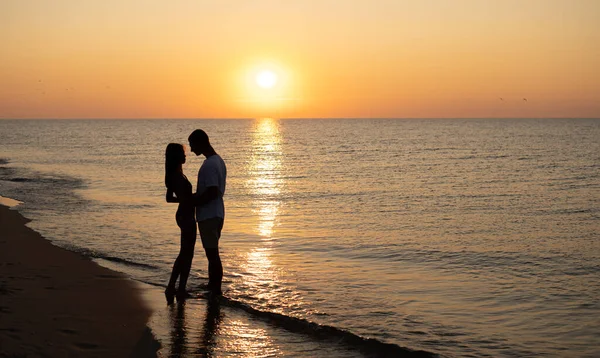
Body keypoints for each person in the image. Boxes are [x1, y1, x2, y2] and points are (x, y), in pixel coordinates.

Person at [188, 129, 227, 297]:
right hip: (216, 213)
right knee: (212, 252)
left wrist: (193, 201)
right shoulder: (218, 161)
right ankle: (213, 286)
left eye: (192, 145)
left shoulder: (210, 164)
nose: (190, 150)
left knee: (212, 254)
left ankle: (215, 290)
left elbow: (212, 191)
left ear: (201, 142)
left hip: (210, 215)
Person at [164, 143, 197, 303]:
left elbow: (169, 198)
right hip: (186, 216)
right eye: (183, 154)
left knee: (185, 252)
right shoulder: (176, 175)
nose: (186, 156)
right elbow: (176, 198)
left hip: (183, 214)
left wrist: (185, 200)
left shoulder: (174, 174)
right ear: (176, 156)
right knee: (186, 253)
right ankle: (178, 288)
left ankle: (174, 286)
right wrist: (192, 199)